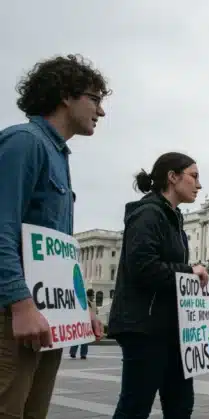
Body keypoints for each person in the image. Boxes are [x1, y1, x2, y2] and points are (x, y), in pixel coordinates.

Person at [0, 54, 108, 419]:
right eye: (95, 99)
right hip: (16, 313)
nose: (101, 111)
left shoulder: (58, 155)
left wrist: (83, 306)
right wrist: (20, 302)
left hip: (46, 316)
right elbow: (2, 226)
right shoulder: (23, 142)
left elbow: (57, 250)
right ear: (66, 95)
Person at [108, 152, 209, 418]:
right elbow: (144, 268)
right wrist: (189, 270)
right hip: (145, 326)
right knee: (135, 406)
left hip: (171, 327)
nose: (199, 185)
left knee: (180, 405)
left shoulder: (173, 218)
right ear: (173, 177)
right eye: (194, 177)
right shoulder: (148, 214)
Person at [70, 289, 98, 360]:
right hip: (84, 322)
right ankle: (82, 354)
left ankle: (74, 353)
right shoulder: (86, 302)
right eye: (93, 295)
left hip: (83, 322)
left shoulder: (88, 302)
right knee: (84, 339)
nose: (93, 297)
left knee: (80, 338)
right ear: (90, 296)